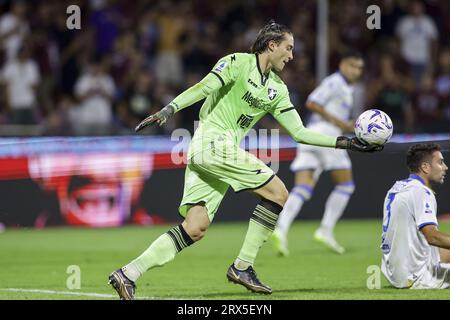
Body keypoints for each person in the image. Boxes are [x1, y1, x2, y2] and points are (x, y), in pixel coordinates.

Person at [108, 21, 381, 300]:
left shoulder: (277, 88)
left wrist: (347, 143)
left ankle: (128, 274)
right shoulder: (237, 63)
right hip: (211, 142)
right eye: (288, 48)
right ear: (271, 46)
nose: (291, 56)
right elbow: (204, 87)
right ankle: (243, 266)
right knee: (278, 193)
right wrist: (169, 109)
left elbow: (299, 132)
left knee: (195, 227)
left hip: (214, 153)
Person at [271, 50, 364, 256]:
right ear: (342, 65)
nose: (356, 71)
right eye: (353, 66)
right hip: (326, 136)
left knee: (302, 188)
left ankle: (281, 229)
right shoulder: (335, 82)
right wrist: (339, 123)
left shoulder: (347, 87)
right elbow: (312, 102)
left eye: (359, 68)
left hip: (310, 136)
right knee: (346, 185)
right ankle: (325, 230)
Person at [381, 143, 448, 289]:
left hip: (395, 272)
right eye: (440, 162)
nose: (445, 167)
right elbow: (432, 237)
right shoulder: (421, 192)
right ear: (425, 167)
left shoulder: (396, 187)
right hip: (417, 276)